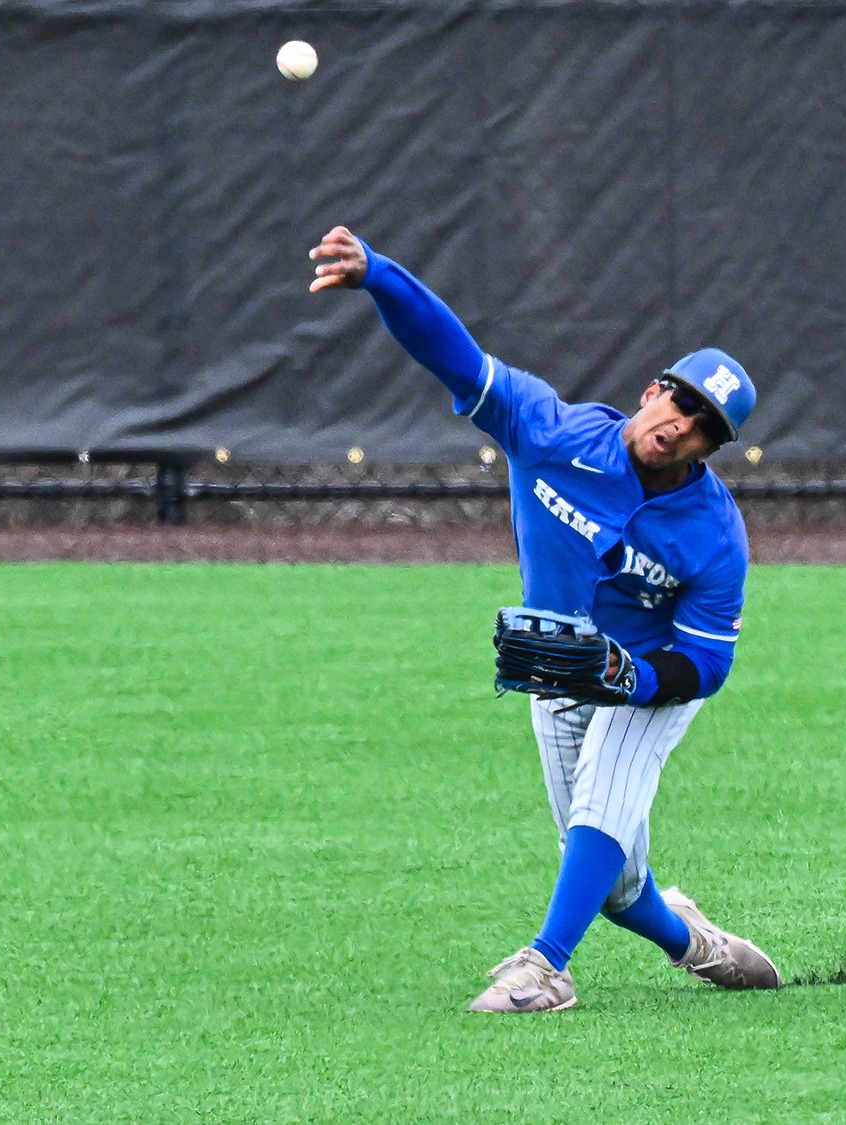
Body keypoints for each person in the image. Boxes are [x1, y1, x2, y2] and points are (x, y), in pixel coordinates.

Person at [308, 226, 781, 1013]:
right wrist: (378, 276)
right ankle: (694, 942)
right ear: (653, 389)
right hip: (557, 668)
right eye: (683, 401)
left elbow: (709, 662)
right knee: (612, 883)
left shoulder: (714, 533)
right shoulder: (550, 432)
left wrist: (632, 677)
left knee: (602, 808)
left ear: (713, 446)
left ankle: (545, 968)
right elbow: (456, 357)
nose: (682, 425)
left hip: (650, 678)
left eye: (706, 427)